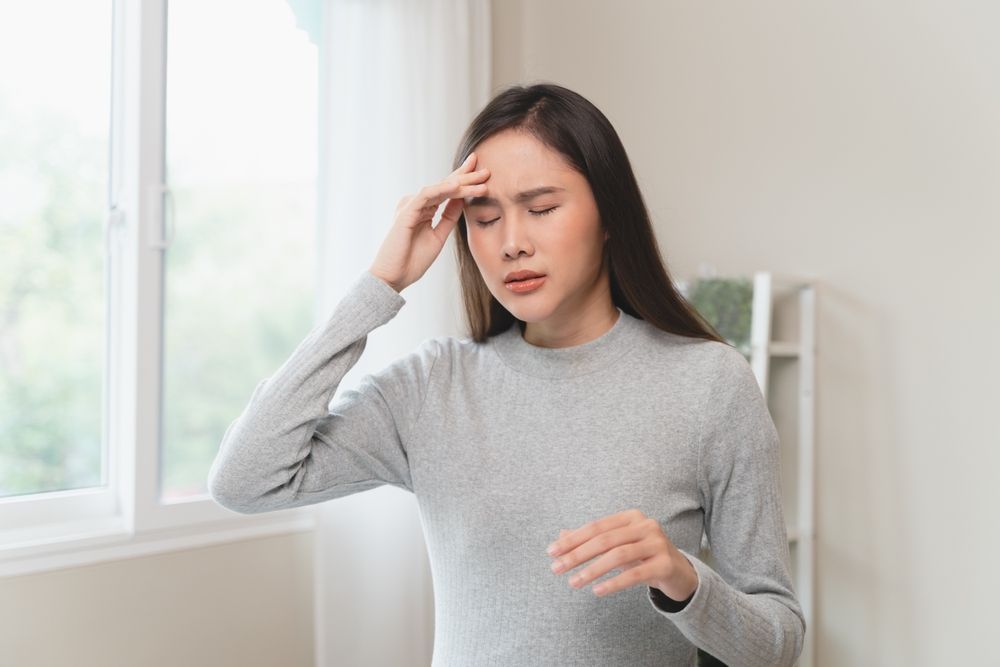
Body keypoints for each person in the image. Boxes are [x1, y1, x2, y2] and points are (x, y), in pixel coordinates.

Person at [208, 82, 805, 666]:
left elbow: (777, 643)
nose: (512, 243)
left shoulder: (708, 384)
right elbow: (246, 479)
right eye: (485, 218)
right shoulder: (433, 386)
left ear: (608, 216)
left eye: (541, 209)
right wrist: (379, 286)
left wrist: (683, 580)